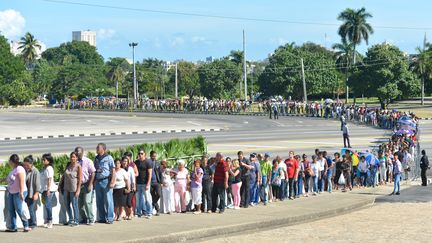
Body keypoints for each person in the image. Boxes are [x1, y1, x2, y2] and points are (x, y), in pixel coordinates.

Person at [6, 154, 30, 232]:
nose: (9, 163)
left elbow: (22, 181)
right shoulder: (14, 169)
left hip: (19, 192)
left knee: (20, 209)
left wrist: (21, 192)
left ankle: (26, 225)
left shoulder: (19, 169)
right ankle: (13, 227)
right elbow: (9, 179)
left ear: (12, 161)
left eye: (9, 161)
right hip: (11, 192)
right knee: (11, 209)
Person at [94, 143, 116, 224]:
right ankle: (102, 218)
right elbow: (94, 170)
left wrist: (112, 181)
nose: (96, 148)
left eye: (98, 147)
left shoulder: (109, 157)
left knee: (108, 200)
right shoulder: (96, 158)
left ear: (103, 149)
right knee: (99, 201)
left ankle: (110, 218)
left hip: (106, 181)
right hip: (98, 181)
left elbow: (113, 170)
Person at [60, 152, 82, 226]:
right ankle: (71, 219)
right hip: (66, 187)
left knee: (74, 204)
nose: (72, 158)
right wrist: (60, 185)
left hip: (74, 188)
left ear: (77, 158)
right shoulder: (68, 165)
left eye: (74, 157)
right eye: (71, 157)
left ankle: (76, 220)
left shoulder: (78, 166)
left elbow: (80, 179)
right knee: (66, 204)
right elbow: (63, 176)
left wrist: (78, 190)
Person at [75, 146, 96, 225]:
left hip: (87, 184)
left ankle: (91, 218)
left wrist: (90, 184)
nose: (77, 154)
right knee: (79, 204)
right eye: (76, 152)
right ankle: (84, 218)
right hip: (78, 185)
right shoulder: (75, 161)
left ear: (83, 152)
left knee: (87, 202)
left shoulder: (88, 161)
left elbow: (93, 172)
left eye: (79, 152)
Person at [23, 155, 40, 229]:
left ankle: (33, 224)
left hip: (32, 193)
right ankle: (30, 224)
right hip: (26, 194)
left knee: (31, 209)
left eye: (27, 165)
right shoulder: (26, 170)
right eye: (25, 165)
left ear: (31, 163)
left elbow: (37, 184)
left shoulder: (35, 171)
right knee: (28, 209)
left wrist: (36, 193)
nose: (26, 166)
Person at [135, 149, 153, 218]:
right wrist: (135, 184)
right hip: (138, 183)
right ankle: (138, 212)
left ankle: (149, 212)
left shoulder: (148, 162)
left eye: (142, 153)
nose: (140, 155)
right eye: (139, 153)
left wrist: (148, 184)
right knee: (138, 199)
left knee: (147, 198)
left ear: (144, 154)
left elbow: (150, 174)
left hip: (145, 183)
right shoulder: (136, 162)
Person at [40, 153, 57, 229]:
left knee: (48, 205)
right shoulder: (44, 168)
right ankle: (47, 221)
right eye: (42, 159)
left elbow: (49, 179)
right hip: (44, 189)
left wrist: (48, 189)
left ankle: (50, 221)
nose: (43, 161)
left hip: (49, 189)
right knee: (46, 205)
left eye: (44, 160)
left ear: (48, 161)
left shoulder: (49, 168)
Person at [148, 151, 164, 216]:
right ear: (150, 156)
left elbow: (160, 173)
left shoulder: (157, 163)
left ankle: (153, 203)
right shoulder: (148, 162)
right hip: (150, 182)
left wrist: (161, 182)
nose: (154, 157)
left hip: (157, 182)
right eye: (153, 156)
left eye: (155, 156)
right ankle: (158, 209)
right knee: (152, 196)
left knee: (158, 194)